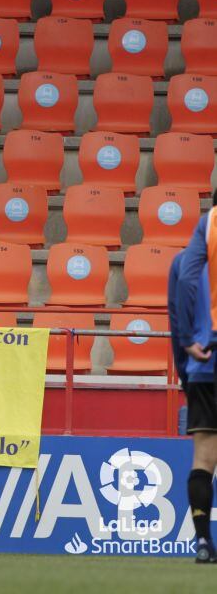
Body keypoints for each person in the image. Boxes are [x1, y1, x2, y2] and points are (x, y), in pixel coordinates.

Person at [172, 199, 217, 563]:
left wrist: (188, 346)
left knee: (203, 458)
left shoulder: (196, 245)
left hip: (206, 361)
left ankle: (203, 543)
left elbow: (186, 283)